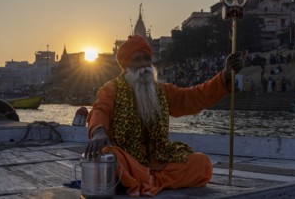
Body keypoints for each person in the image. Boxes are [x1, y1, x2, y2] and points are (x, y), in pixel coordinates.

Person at [84, 34, 242, 196]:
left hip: (160, 158)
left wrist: (224, 76)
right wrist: (99, 131)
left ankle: (142, 181)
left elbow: (193, 97)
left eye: (147, 59)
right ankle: (143, 179)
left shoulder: (162, 91)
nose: (144, 64)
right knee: (111, 155)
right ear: (125, 65)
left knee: (202, 164)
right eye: (138, 59)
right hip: (128, 159)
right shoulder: (111, 89)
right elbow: (99, 109)